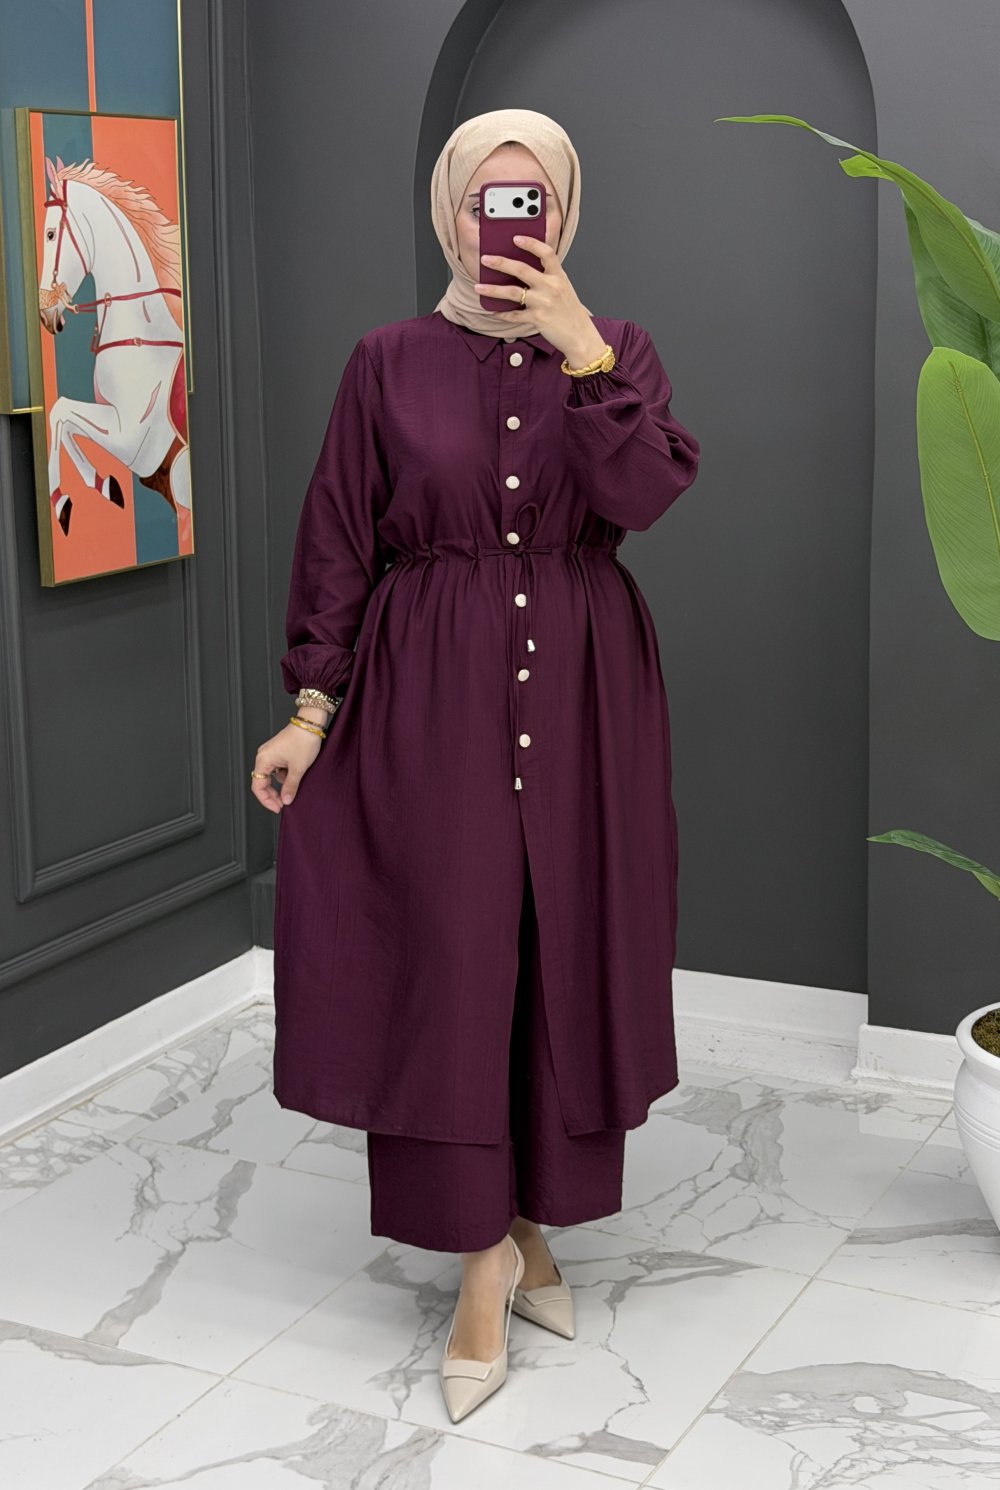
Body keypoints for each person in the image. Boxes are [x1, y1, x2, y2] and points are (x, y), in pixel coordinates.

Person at [251, 107, 701, 1423]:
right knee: (450, 960)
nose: (505, 223)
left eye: (530, 201)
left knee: (560, 946)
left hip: (585, 694)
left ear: (562, 212)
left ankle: (532, 1225)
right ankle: (479, 1263)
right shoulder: (385, 362)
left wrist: (582, 351)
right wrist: (310, 710)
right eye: (481, 200)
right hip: (427, 694)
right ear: (447, 211)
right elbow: (339, 536)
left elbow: (645, 495)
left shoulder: (618, 350)